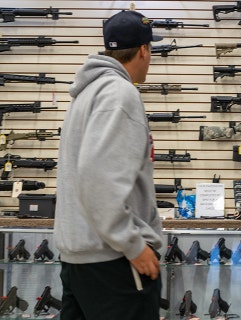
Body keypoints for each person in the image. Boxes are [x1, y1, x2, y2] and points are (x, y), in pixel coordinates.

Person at [53, 10, 164, 320]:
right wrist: (133, 245)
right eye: (151, 49)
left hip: (80, 260)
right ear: (143, 49)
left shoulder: (86, 93)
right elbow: (98, 179)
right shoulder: (120, 94)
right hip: (114, 264)